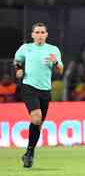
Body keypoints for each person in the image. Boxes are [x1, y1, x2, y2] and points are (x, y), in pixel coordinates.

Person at [14, 22, 64, 168]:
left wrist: (55, 63)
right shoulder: (26, 48)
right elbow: (17, 62)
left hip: (45, 90)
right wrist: (18, 70)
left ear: (46, 35)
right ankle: (29, 153)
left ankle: (29, 153)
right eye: (37, 32)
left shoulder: (53, 50)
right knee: (36, 118)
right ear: (32, 35)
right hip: (29, 86)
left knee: (38, 124)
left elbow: (60, 69)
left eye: (43, 32)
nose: (40, 35)